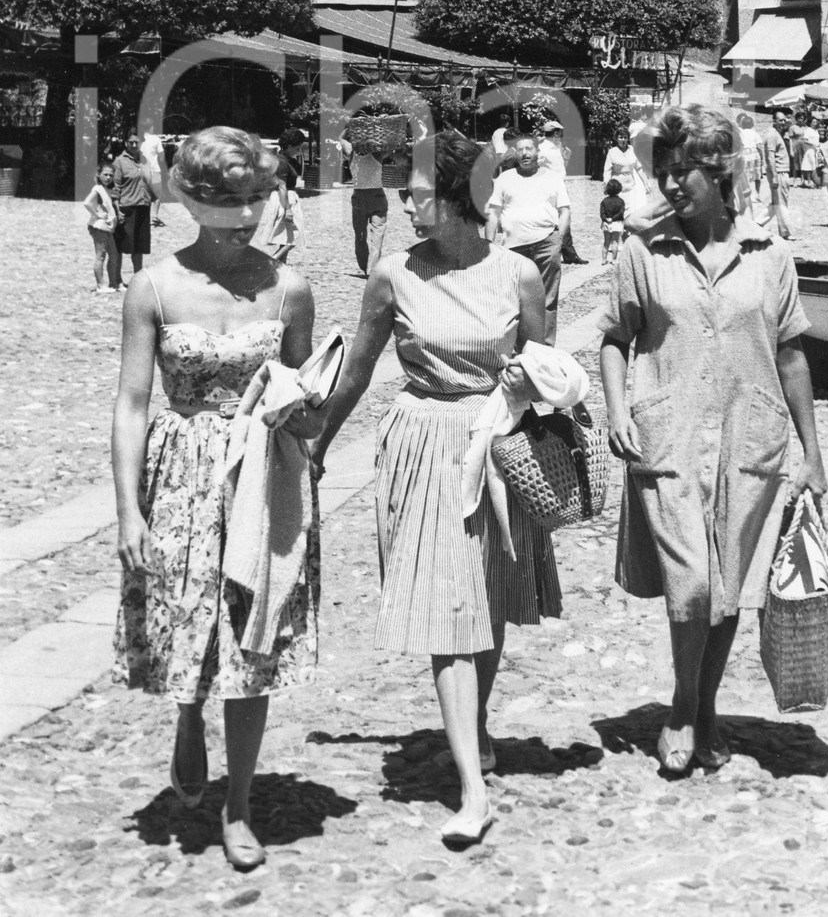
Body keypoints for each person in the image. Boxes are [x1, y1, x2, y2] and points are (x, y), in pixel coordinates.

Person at [311, 130, 561, 848]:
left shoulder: (519, 275)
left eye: (415, 189)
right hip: (424, 447)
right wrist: (320, 444)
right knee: (447, 610)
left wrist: (536, 390)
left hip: (496, 443)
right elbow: (356, 369)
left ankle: (474, 728)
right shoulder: (394, 272)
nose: (403, 199)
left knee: (487, 600)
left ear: (456, 198)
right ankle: (473, 792)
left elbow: (542, 368)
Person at [111, 128, 320, 872]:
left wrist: (307, 411)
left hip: (263, 472)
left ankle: (239, 804)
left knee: (252, 635)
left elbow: (305, 395)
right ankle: (188, 714)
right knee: (186, 617)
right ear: (192, 200)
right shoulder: (155, 286)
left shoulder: (290, 288)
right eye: (229, 200)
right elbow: (133, 401)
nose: (246, 213)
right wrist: (128, 507)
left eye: (255, 197)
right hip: (182, 471)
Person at [600, 104, 827, 775]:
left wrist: (813, 453)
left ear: (720, 169)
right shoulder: (642, 249)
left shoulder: (771, 252)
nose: (671, 184)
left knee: (729, 586)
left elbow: (790, 355)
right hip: (666, 434)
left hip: (751, 434)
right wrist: (616, 407)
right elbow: (615, 338)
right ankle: (681, 701)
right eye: (663, 171)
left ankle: (705, 705)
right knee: (693, 581)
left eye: (683, 171)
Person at [486, 135, 570, 343]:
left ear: (537, 152)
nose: (524, 153)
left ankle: (544, 349)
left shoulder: (552, 177)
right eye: (520, 149)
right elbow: (493, 212)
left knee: (547, 300)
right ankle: (517, 348)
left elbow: (565, 211)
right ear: (515, 153)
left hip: (546, 244)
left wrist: (559, 240)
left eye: (529, 149)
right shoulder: (505, 178)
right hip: (513, 249)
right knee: (513, 300)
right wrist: (488, 245)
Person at [537, 120, 588, 266]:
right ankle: (556, 252)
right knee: (556, 219)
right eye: (559, 133)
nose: (561, 135)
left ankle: (568, 253)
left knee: (564, 218)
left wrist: (566, 157)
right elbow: (537, 167)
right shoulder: (544, 149)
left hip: (559, 185)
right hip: (550, 188)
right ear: (556, 133)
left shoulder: (554, 147)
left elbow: (560, 168)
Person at [340, 138, 389, 278]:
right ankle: (372, 269)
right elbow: (391, 145)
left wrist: (349, 127)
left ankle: (363, 264)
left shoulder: (351, 155)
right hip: (377, 197)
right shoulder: (378, 155)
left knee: (360, 234)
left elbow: (341, 139)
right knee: (377, 235)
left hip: (359, 198)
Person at [112, 130, 158, 281]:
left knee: (139, 247)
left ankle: (137, 279)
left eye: (136, 142)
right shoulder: (119, 162)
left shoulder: (145, 160)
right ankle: (116, 279)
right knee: (120, 246)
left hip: (143, 207)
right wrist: (117, 211)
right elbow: (115, 188)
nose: (133, 144)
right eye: (130, 142)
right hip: (127, 208)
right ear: (126, 143)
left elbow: (150, 182)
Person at [257, 128, 306, 264]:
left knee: (285, 238)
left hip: (286, 198)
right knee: (292, 239)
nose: (299, 150)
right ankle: (268, 263)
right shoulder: (282, 163)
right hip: (284, 199)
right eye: (297, 147)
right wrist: (288, 209)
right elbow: (282, 186)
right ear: (289, 146)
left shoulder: (286, 160)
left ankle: (280, 268)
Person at [83, 162, 122, 292]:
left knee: (114, 254)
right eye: (105, 174)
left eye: (111, 175)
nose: (108, 177)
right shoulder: (97, 189)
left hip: (108, 227)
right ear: (99, 175)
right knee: (101, 255)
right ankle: (100, 285)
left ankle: (113, 283)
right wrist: (97, 214)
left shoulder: (108, 189)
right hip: (98, 227)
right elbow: (87, 203)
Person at [602, 126, 649, 222]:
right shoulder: (612, 152)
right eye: (620, 137)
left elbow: (639, 168)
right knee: (618, 216)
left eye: (625, 137)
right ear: (616, 138)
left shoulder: (632, 150)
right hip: (617, 190)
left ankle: (627, 234)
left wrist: (646, 183)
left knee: (630, 215)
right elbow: (607, 171)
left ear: (628, 139)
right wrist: (606, 185)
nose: (623, 140)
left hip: (630, 189)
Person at [763, 112, 794, 240]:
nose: (783, 123)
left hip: (782, 172)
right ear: (774, 121)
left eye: (784, 120)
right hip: (779, 172)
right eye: (780, 120)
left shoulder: (777, 134)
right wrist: (775, 176)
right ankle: (785, 232)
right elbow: (770, 157)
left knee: (777, 202)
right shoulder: (772, 135)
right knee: (781, 202)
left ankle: (757, 223)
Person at [600, 178, 626, 264]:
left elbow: (602, 213)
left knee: (606, 242)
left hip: (606, 223)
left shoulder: (604, 201)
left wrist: (606, 219)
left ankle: (604, 259)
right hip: (617, 223)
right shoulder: (621, 201)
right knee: (615, 242)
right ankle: (614, 260)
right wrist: (613, 218)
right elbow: (621, 213)